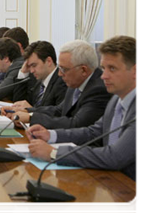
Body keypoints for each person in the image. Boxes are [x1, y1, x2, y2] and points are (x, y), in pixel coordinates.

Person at [27, 36, 140, 183]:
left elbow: (115, 156)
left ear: (136, 71)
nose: (104, 76)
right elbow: (93, 132)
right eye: (103, 68)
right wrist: (51, 135)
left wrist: (54, 153)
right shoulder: (116, 100)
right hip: (112, 181)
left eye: (112, 68)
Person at [6, 40, 112, 129]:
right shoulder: (74, 84)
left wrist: (31, 117)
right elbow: (58, 110)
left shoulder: (99, 89)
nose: (60, 74)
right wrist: (26, 111)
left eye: (64, 69)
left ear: (83, 70)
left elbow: (76, 124)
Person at [1, 41, 67, 113]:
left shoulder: (62, 82)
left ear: (49, 61)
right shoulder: (39, 82)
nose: (31, 71)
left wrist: (31, 111)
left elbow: (58, 114)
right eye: (29, 66)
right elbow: (20, 102)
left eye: (34, 65)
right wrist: (23, 73)